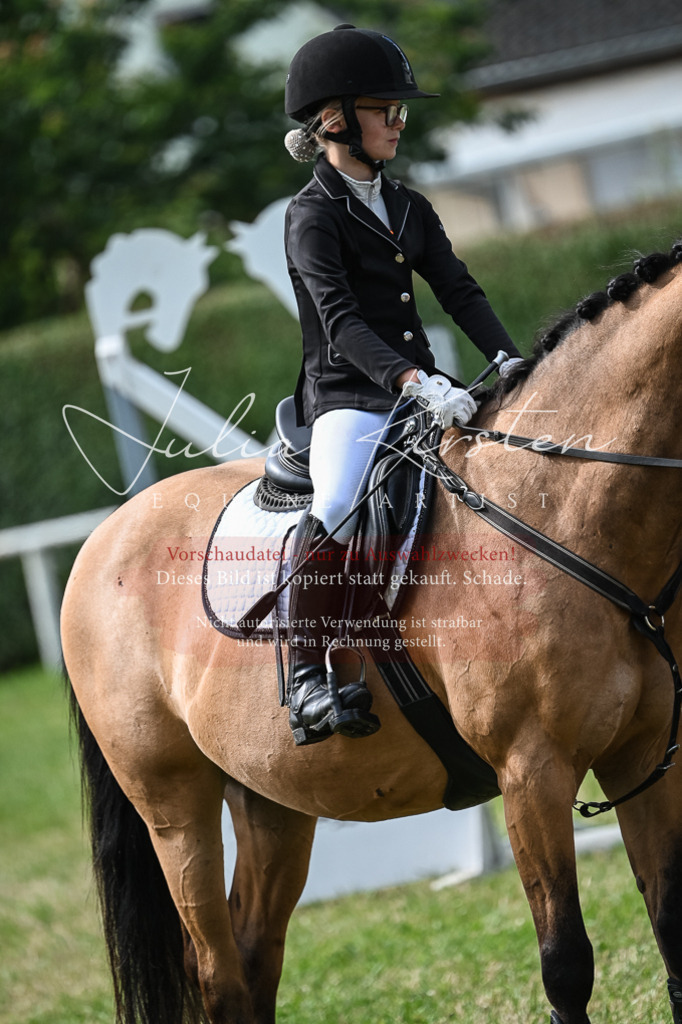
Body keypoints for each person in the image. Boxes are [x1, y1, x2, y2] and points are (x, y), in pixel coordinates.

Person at [282, 24, 523, 747]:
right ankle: (305, 681)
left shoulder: (409, 206)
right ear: (334, 120)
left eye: (400, 111)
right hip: (347, 397)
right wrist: (413, 380)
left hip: (423, 387)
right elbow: (340, 320)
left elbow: (458, 288)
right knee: (334, 501)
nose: (397, 122)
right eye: (385, 108)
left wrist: (510, 360)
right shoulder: (311, 216)